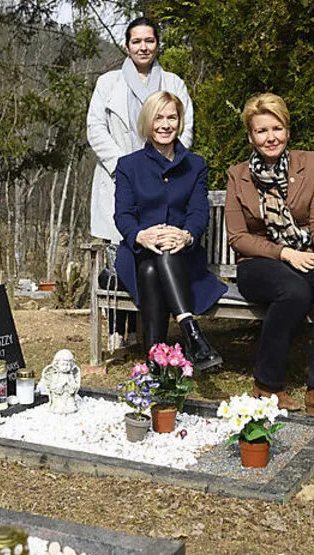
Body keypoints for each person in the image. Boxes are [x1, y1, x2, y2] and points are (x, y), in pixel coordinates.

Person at [224, 93, 314, 421]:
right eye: (261, 131)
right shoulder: (238, 176)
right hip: (257, 263)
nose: (270, 137)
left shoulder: (312, 165)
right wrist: (284, 253)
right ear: (251, 136)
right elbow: (238, 238)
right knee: (294, 291)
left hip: (304, 255)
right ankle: (266, 385)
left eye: (277, 128)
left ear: (287, 130)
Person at [87, 17, 195, 353]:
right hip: (120, 176)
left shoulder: (173, 83)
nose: (143, 47)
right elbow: (95, 128)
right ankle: (118, 331)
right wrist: (125, 167)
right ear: (127, 45)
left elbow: (185, 130)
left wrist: (164, 167)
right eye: (136, 41)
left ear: (157, 44)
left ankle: (146, 336)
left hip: (162, 181)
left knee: (153, 255)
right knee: (122, 253)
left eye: (149, 40)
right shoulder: (108, 83)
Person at [113, 91, 225, 371]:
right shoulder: (128, 165)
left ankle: (156, 364)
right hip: (137, 253)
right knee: (151, 261)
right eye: (158, 118)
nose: (165, 125)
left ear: (180, 121)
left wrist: (186, 235)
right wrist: (141, 235)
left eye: (172, 117)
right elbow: (123, 214)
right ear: (147, 122)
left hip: (182, 257)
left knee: (155, 266)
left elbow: (198, 212)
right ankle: (191, 333)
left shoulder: (195, 165)